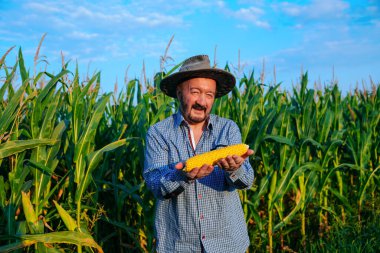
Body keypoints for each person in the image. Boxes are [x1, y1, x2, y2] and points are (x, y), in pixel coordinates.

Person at [143, 55, 255, 253]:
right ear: (179, 93)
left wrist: (235, 169)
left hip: (227, 243)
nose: (202, 101)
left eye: (209, 95)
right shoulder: (158, 133)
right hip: (178, 244)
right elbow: (154, 183)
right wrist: (181, 176)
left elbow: (247, 181)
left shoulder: (228, 129)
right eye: (195, 92)